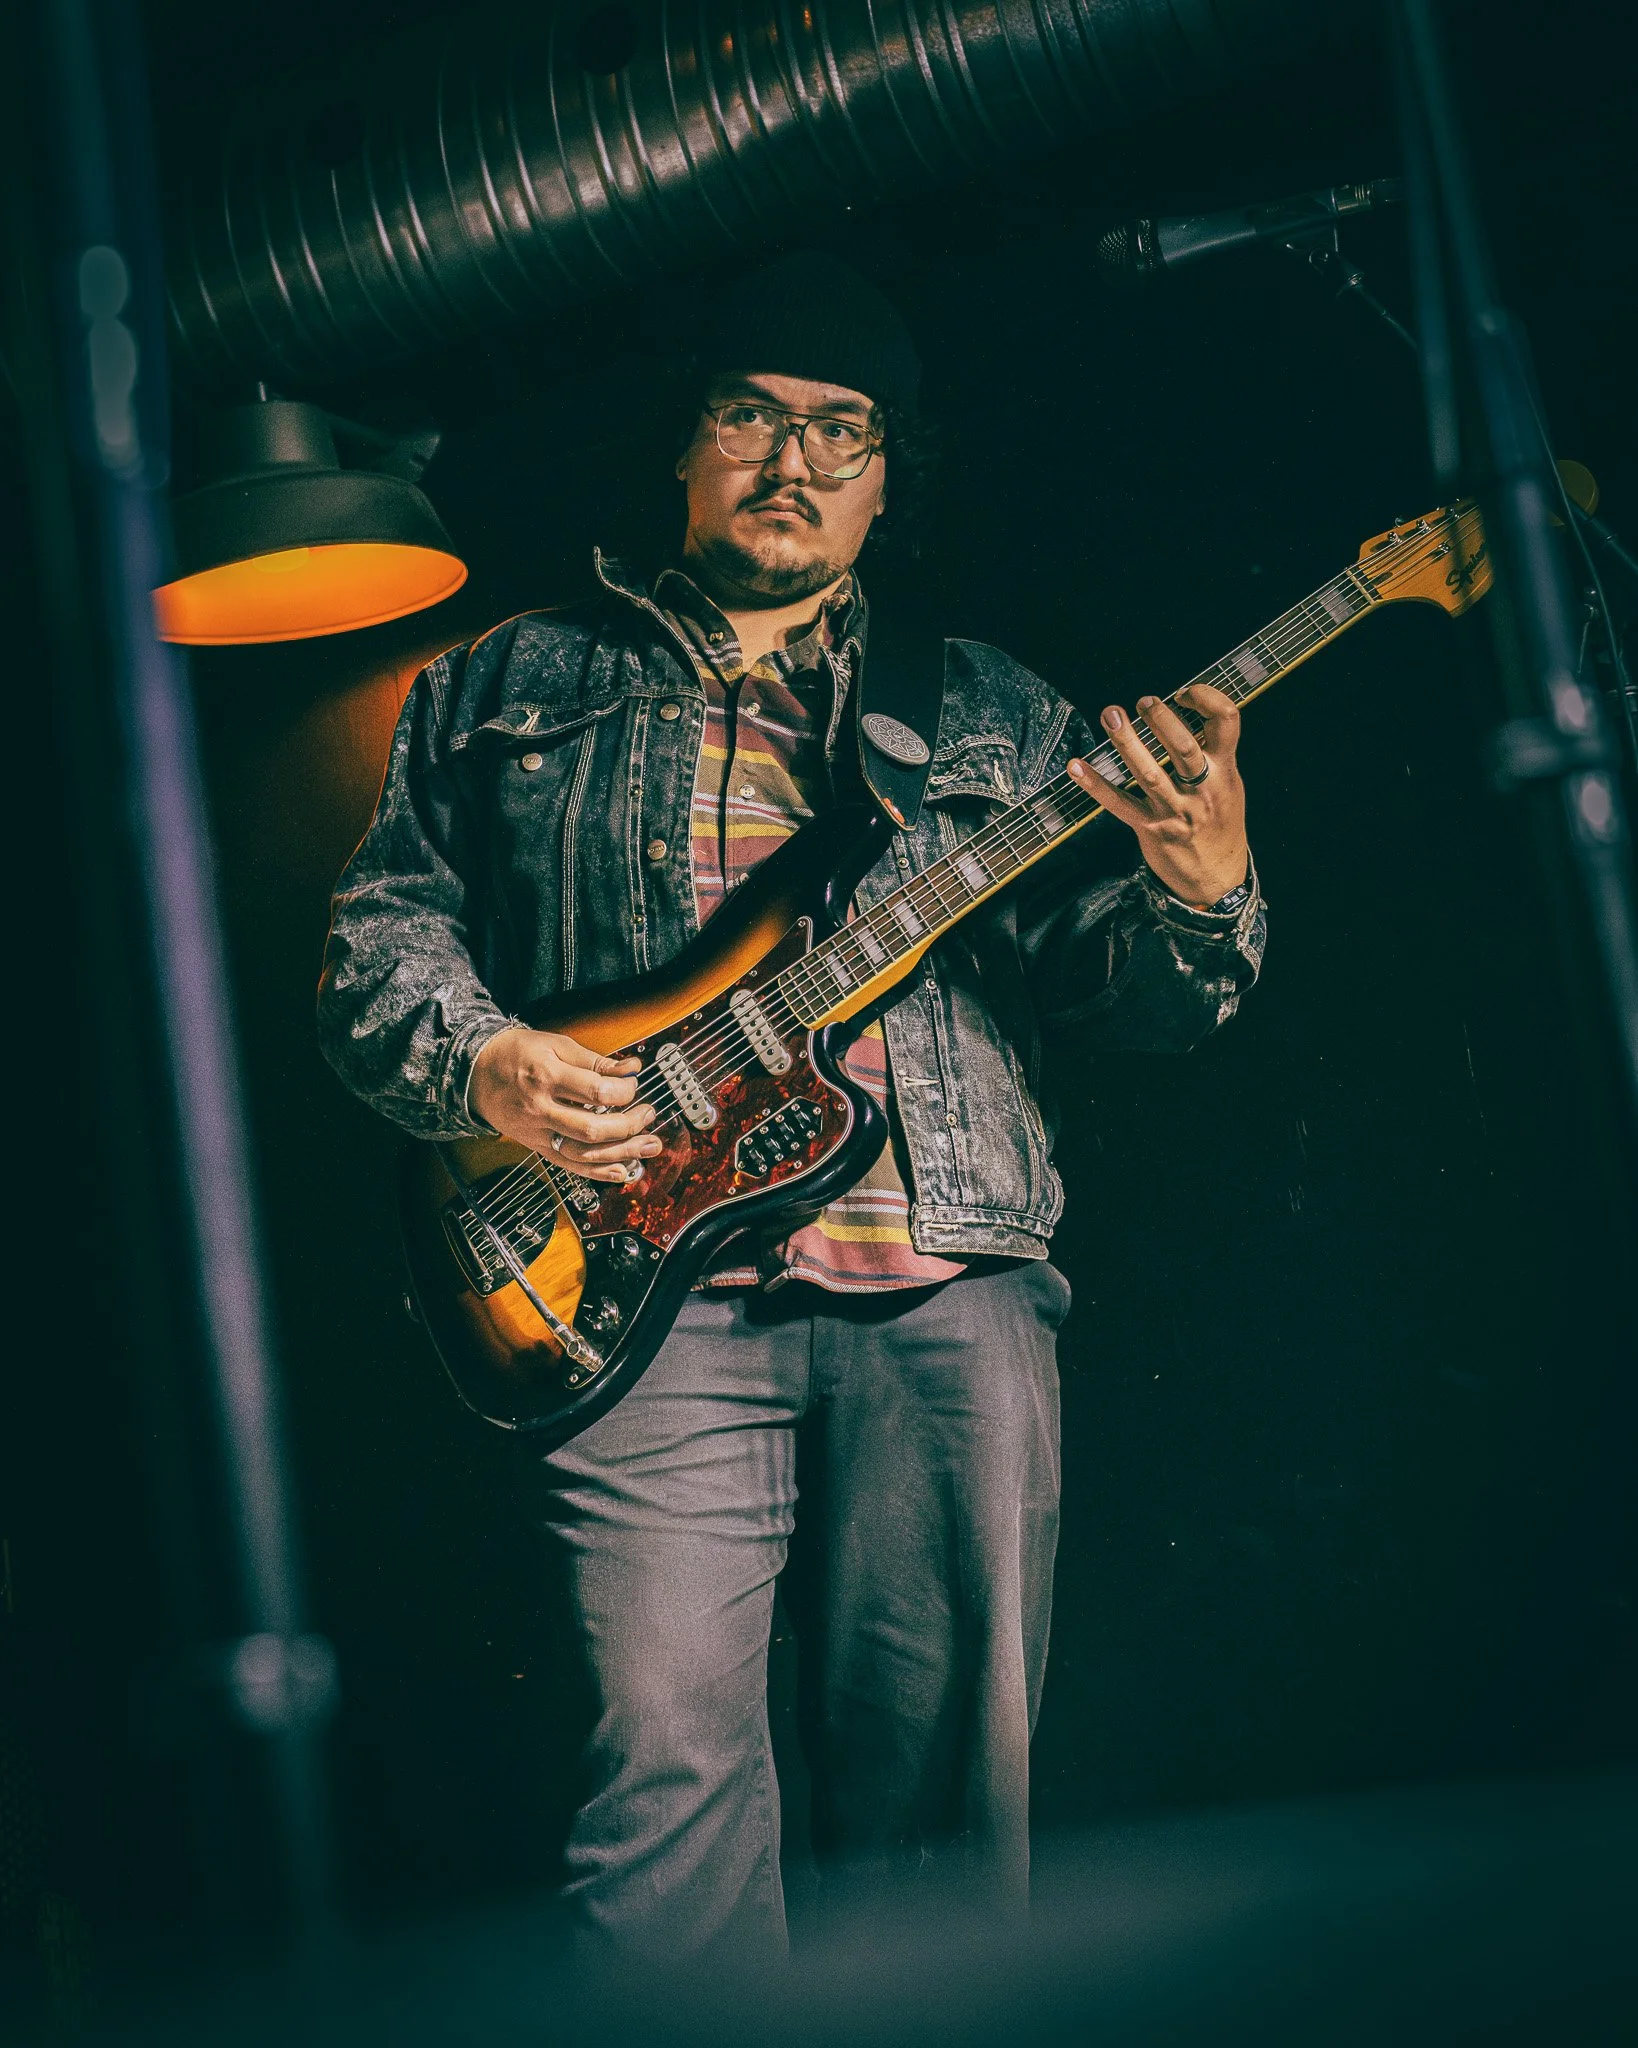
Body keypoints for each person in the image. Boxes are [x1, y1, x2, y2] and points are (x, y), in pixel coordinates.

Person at [317, 253, 1265, 1958]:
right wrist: (486, 1065)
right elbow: (375, 947)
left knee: (944, 1820)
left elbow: (1131, 1001)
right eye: (752, 417)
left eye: (844, 432)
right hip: (625, 1302)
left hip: (945, 1285)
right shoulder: (497, 681)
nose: (795, 462)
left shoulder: (984, 706)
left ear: (883, 478)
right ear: (682, 450)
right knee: (653, 1801)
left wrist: (1201, 887)